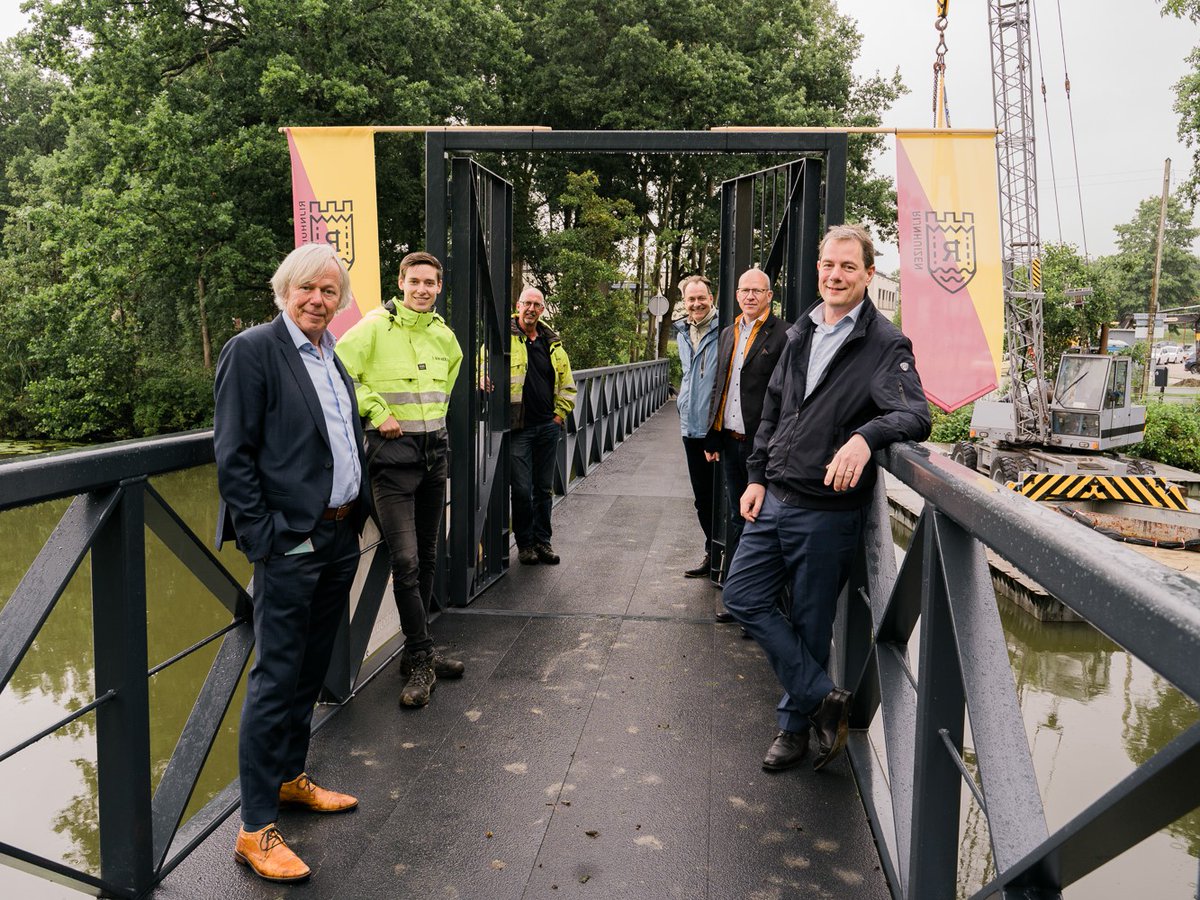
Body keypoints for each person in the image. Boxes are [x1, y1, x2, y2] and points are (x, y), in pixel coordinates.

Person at [722, 224, 931, 773]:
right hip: (775, 496)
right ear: (818, 268)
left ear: (868, 274)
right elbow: (773, 410)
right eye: (827, 265)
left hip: (827, 509)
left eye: (848, 267)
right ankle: (823, 698)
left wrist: (865, 438)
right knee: (742, 595)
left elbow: (914, 413)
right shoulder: (800, 333)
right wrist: (756, 477)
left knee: (813, 623)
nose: (835, 275)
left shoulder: (885, 343)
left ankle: (792, 730)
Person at [214, 243, 369, 883]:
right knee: (276, 677)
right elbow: (234, 456)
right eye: (307, 288)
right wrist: (269, 540)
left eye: (330, 292)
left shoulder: (333, 358)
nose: (317, 300)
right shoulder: (253, 350)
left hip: (337, 536)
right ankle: (253, 829)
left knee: (309, 669)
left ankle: (287, 776)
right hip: (291, 543)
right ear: (284, 290)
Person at [334, 251, 465, 709]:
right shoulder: (373, 327)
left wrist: (434, 424)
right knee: (405, 560)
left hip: (435, 453)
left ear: (439, 287)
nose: (423, 290)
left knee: (428, 556)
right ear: (401, 282)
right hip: (391, 457)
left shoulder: (445, 336)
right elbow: (338, 370)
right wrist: (375, 409)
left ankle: (416, 651)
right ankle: (422, 656)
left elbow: (448, 380)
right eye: (416, 282)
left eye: (431, 283)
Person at [704, 268, 788, 586]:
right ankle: (737, 587)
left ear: (769, 296)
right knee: (737, 514)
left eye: (757, 291)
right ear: (737, 295)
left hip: (761, 442)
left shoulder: (784, 335)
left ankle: (748, 589)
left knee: (759, 517)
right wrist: (712, 438)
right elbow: (720, 387)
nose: (750, 296)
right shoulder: (729, 333)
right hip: (729, 440)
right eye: (744, 290)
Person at [509, 287, 576, 565]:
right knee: (522, 489)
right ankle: (524, 544)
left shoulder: (553, 343)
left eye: (537, 305)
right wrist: (482, 380)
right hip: (519, 428)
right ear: (518, 305)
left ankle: (543, 542)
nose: (531, 309)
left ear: (542, 309)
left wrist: (559, 415)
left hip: (548, 426)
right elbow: (482, 366)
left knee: (543, 489)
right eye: (527, 303)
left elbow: (568, 385)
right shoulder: (505, 337)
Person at [672, 274, 721, 581]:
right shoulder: (681, 332)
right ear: (684, 302)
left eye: (701, 298)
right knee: (702, 497)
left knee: (723, 496)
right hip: (689, 427)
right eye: (691, 299)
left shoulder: (725, 330)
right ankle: (711, 551)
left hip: (715, 429)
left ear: (711, 298)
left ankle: (728, 554)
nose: (696, 304)